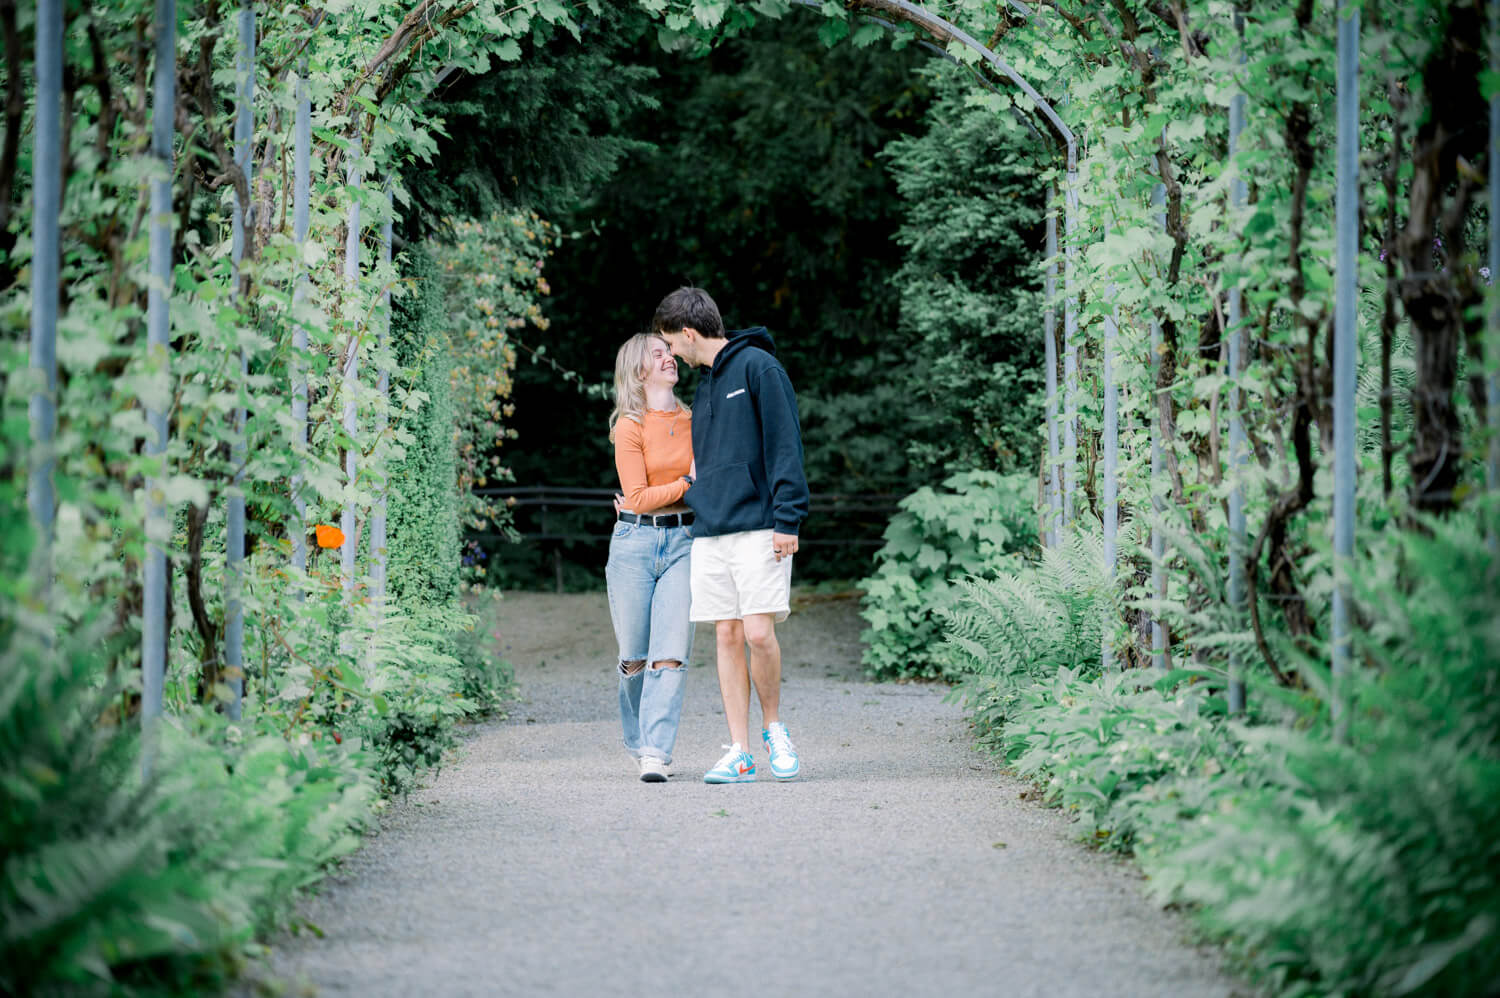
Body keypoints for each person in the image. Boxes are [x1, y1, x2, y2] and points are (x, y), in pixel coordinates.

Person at [652, 287, 810, 784]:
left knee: (759, 632)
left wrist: (789, 518)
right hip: (711, 531)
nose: (672, 354)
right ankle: (739, 751)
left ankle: (774, 730)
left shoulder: (760, 369)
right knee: (726, 634)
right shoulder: (704, 388)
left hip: (762, 526)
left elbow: (786, 446)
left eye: (671, 344)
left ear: (688, 333)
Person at [606, 332, 696, 783]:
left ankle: (656, 751)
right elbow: (638, 498)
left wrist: (688, 488)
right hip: (634, 545)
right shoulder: (630, 424)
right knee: (634, 658)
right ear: (638, 371)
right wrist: (688, 483)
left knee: (671, 654)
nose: (669, 359)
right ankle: (636, 739)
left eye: (669, 352)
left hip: (684, 543)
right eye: (656, 355)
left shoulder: (695, 420)